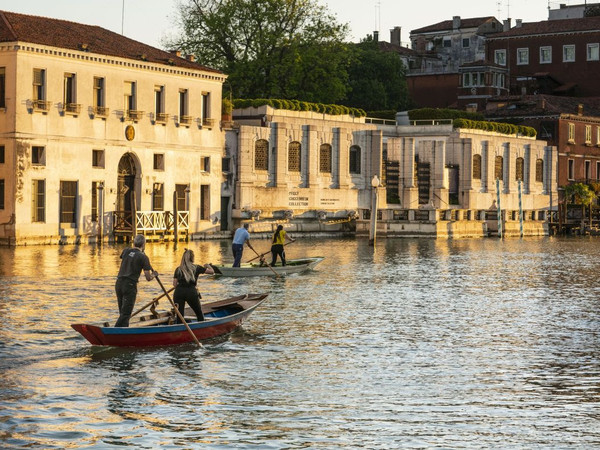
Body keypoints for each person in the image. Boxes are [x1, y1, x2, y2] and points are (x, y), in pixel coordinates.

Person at [114, 235, 157, 327]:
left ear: (134, 243)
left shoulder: (126, 251)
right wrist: (154, 274)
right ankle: (116, 333)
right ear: (144, 244)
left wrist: (140, 253)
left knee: (122, 312)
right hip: (129, 285)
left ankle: (123, 331)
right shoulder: (144, 257)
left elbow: (126, 257)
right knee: (126, 314)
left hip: (119, 283)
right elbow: (148, 277)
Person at [172, 249, 214, 323]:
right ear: (192, 258)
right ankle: (201, 329)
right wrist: (208, 265)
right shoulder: (196, 267)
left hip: (179, 292)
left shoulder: (178, 269)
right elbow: (212, 272)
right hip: (191, 292)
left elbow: (174, 285)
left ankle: (179, 331)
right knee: (199, 314)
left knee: (180, 317)